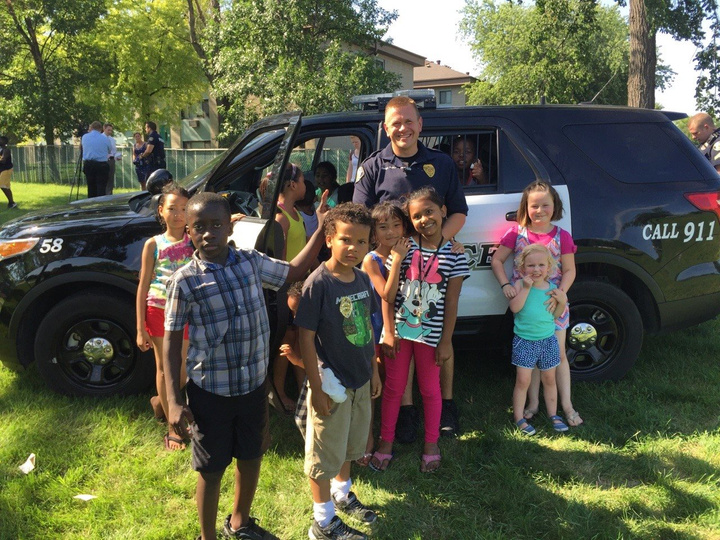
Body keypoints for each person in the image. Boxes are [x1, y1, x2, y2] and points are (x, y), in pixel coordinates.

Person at [163, 190, 328, 540]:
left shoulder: (250, 261)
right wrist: (174, 401)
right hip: (211, 391)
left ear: (230, 227)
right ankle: (207, 536)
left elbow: (294, 271)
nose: (209, 233)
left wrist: (321, 227)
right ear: (188, 231)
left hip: (253, 385)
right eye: (199, 227)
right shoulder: (185, 281)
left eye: (217, 225)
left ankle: (240, 521)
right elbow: (171, 341)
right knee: (211, 467)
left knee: (252, 455)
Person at [353, 95, 469, 437]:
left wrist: (435, 245)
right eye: (395, 123)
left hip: (428, 263)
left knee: (437, 324)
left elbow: (458, 211)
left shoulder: (442, 163)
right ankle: (405, 410)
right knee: (398, 333)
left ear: (420, 124)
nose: (403, 128)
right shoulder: (373, 166)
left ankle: (445, 405)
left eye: (408, 121)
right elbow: (361, 219)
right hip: (392, 265)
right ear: (385, 128)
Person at [295, 203, 382, 540]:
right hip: (331, 383)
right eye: (346, 240)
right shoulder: (318, 283)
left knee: (349, 444)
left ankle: (342, 494)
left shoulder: (361, 278)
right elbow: (305, 335)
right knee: (324, 452)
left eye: (362, 242)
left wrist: (373, 370)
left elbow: (368, 330)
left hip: (361, 379)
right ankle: (323, 521)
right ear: (329, 239)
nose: (354, 248)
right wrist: (316, 388)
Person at [371, 187, 469, 473]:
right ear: (410, 221)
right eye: (416, 216)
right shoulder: (403, 248)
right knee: (393, 388)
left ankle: (431, 443)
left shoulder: (455, 254)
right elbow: (388, 295)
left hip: (432, 337)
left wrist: (446, 341)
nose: (424, 219)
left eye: (429, 212)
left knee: (430, 389)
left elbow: (451, 302)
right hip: (400, 333)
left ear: (443, 212)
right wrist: (388, 332)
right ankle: (385, 442)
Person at [491, 180, 582, 427]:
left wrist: (561, 294)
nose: (539, 210)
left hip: (554, 306)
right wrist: (505, 285)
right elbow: (498, 261)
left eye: (545, 205)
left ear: (555, 206)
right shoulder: (516, 233)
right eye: (534, 206)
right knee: (530, 357)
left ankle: (567, 406)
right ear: (525, 207)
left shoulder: (562, 236)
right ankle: (533, 404)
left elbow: (570, 270)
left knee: (558, 355)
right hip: (526, 308)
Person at [135, 183, 193, 450]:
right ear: (162, 211)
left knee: (181, 372)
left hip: (188, 312)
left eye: (184, 208)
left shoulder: (194, 242)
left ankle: (160, 402)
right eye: (173, 208)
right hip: (158, 311)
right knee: (164, 368)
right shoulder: (153, 244)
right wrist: (140, 328)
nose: (179, 214)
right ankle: (174, 427)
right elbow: (143, 286)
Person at [356, 201, 411, 467]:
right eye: (383, 227)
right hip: (376, 329)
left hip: (406, 327)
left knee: (393, 384)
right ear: (374, 232)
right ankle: (366, 441)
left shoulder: (408, 250)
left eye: (396, 225)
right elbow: (387, 295)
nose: (390, 232)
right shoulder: (371, 259)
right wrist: (397, 259)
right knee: (371, 387)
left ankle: (389, 433)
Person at [508, 243, 569, 435]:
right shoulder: (520, 285)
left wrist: (561, 301)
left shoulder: (552, 289)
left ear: (549, 268)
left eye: (541, 265)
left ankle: (553, 414)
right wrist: (526, 288)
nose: (536, 270)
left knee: (549, 379)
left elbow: (556, 315)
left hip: (548, 340)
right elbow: (514, 308)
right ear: (522, 268)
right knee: (523, 380)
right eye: (531, 266)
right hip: (525, 341)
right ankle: (518, 417)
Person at [273, 163, 308, 412]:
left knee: (298, 339)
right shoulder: (281, 218)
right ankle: (278, 391)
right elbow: (281, 263)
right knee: (287, 339)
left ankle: (301, 387)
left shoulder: (295, 213)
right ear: (294, 185)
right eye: (304, 181)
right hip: (288, 289)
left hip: (300, 286)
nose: (306, 186)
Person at [81, 121, 112, 198]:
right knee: (101, 187)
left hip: (89, 164)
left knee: (91, 186)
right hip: (101, 165)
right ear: (101, 129)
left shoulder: (85, 137)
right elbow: (109, 150)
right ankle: (101, 204)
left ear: (91, 128)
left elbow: (82, 147)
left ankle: (91, 203)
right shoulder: (105, 139)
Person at [0, 136, 17, 209]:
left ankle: (12, 202)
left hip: (6, 170)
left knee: (2, 185)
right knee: (6, 187)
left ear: (4, 142)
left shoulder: (6, 150)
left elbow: (3, 160)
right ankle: (12, 203)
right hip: (2, 170)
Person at [103, 123, 120, 195]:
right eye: (108, 130)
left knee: (110, 178)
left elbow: (114, 151)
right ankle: (103, 194)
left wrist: (117, 156)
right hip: (103, 160)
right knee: (104, 178)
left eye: (111, 130)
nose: (110, 132)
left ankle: (109, 194)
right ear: (104, 129)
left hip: (111, 160)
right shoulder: (101, 138)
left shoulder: (112, 140)